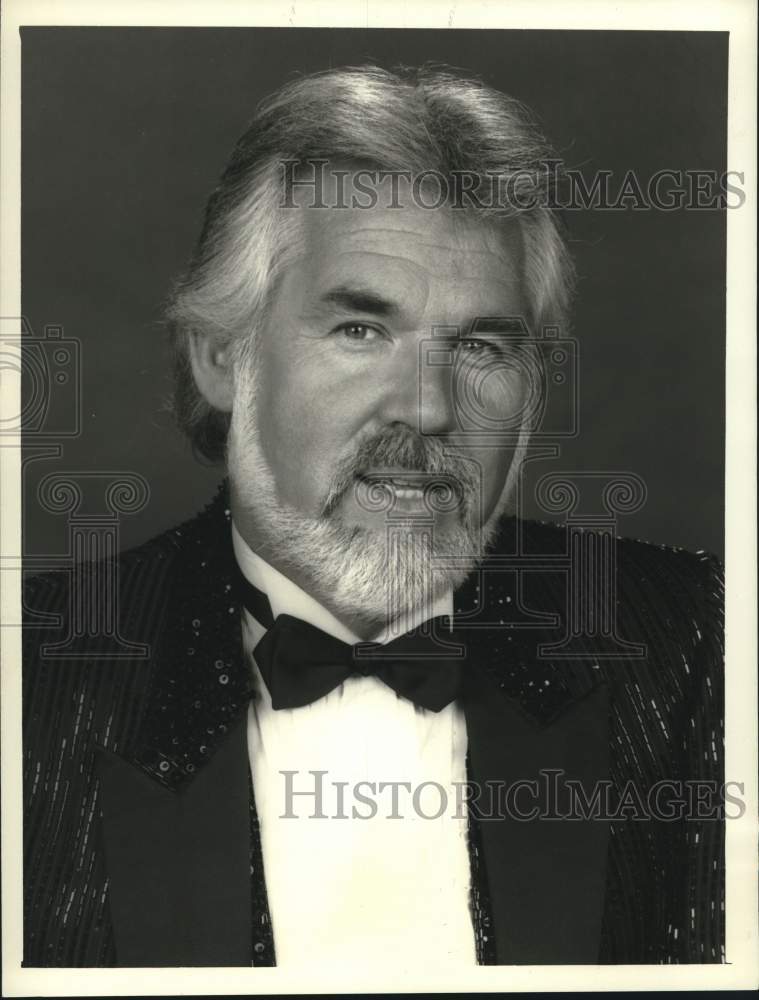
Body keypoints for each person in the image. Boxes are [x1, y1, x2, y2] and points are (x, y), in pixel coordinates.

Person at [22, 64, 724, 968]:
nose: (427, 409)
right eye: (360, 331)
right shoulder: (33, 680)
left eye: (479, 345)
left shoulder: (704, 643)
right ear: (221, 360)